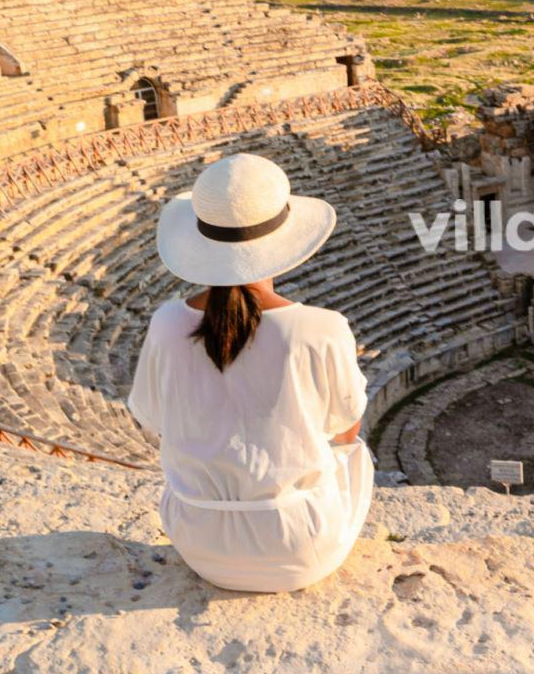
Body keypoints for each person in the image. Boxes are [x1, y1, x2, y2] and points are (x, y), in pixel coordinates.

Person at [128, 153, 368, 593]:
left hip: (197, 541)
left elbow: (152, 421)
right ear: (285, 239)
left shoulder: (165, 323)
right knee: (354, 457)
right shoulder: (321, 327)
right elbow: (346, 432)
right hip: (300, 546)